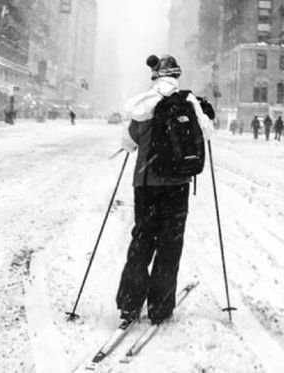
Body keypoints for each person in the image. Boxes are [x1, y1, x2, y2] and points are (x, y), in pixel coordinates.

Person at [118, 54, 213, 325]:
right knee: (170, 245)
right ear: (177, 76)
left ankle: (129, 304)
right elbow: (206, 133)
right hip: (178, 186)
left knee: (143, 240)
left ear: (155, 76)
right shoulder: (189, 102)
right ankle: (160, 307)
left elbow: (128, 142)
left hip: (146, 184)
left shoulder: (144, 105)